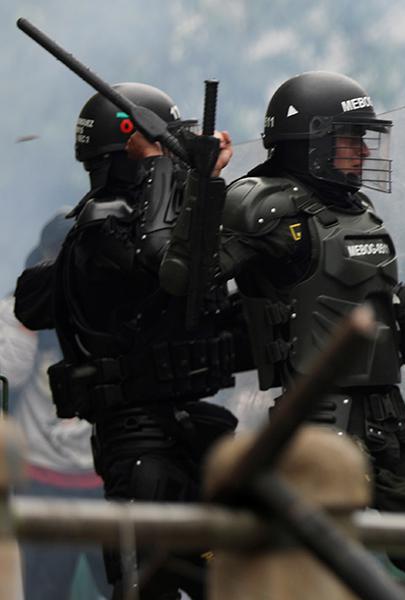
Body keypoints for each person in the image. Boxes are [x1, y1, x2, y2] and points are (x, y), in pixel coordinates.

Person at [183, 71, 405, 593]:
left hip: (391, 426)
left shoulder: (357, 209)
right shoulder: (262, 203)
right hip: (319, 433)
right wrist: (201, 185)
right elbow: (186, 283)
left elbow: (377, 313)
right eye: (351, 138)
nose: (364, 152)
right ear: (314, 139)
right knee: (318, 583)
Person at [12, 83, 242, 600]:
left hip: (189, 431)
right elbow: (160, 259)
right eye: (166, 149)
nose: (175, 161)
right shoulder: (102, 228)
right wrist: (168, 167)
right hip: (137, 446)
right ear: (132, 154)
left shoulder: (160, 224)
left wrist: (204, 180)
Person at [3, 212, 110, 599]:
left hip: (105, 479)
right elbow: (8, 374)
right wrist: (29, 314)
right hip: (40, 481)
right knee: (42, 591)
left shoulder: (112, 304)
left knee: (128, 585)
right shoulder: (18, 310)